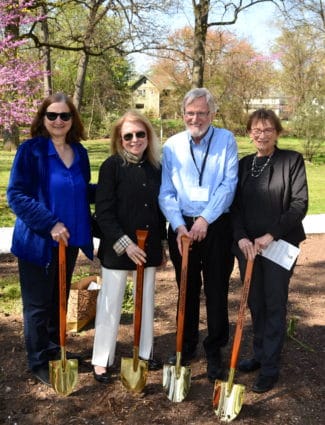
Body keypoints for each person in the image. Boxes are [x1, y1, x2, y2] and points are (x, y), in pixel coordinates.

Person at [7, 92, 95, 386]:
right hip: (38, 243)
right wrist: (50, 224)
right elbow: (16, 195)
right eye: (52, 115)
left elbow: (82, 191)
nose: (58, 121)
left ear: (73, 119)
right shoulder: (30, 151)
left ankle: (56, 349)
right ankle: (39, 360)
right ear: (43, 118)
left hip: (67, 243)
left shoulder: (79, 151)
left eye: (65, 116)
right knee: (38, 305)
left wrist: (115, 192)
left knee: (58, 299)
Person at [158, 88, 238, 382]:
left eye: (202, 113)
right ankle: (186, 345)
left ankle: (215, 347)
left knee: (216, 289)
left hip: (215, 224)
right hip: (181, 228)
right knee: (186, 288)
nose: (196, 118)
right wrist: (180, 226)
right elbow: (166, 192)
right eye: (190, 113)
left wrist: (205, 219)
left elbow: (228, 185)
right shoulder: (171, 145)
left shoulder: (226, 139)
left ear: (212, 114)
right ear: (183, 115)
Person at [231, 109, 308, 393]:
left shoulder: (292, 161)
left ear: (277, 132)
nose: (261, 134)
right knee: (255, 302)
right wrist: (241, 238)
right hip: (248, 248)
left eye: (267, 129)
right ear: (249, 132)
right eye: (256, 130)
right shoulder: (244, 164)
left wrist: (270, 235)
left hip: (279, 245)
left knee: (274, 303)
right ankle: (260, 354)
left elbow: (299, 204)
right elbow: (234, 207)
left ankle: (271, 366)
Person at [91, 110, 167, 383]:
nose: (135, 140)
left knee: (145, 303)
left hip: (149, 248)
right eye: (128, 136)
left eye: (140, 134)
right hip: (118, 248)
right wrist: (127, 245)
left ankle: (144, 352)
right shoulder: (112, 166)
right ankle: (101, 359)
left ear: (148, 136)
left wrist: (162, 244)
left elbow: (161, 211)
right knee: (110, 304)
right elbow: (104, 213)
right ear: (119, 140)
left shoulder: (156, 167)